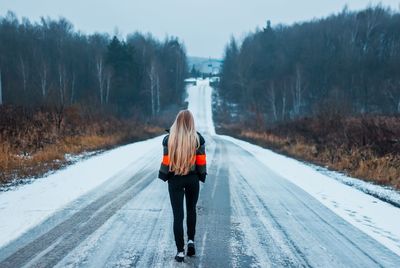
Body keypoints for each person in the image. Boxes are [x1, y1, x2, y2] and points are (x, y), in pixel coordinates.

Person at [158, 110, 207, 262]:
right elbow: (201, 162)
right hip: (192, 180)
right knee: (191, 210)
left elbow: (166, 161)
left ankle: (180, 251)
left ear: (177, 122)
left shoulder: (169, 139)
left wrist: (164, 175)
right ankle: (191, 241)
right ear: (191, 122)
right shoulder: (197, 139)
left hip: (175, 179)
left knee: (178, 216)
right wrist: (201, 175)